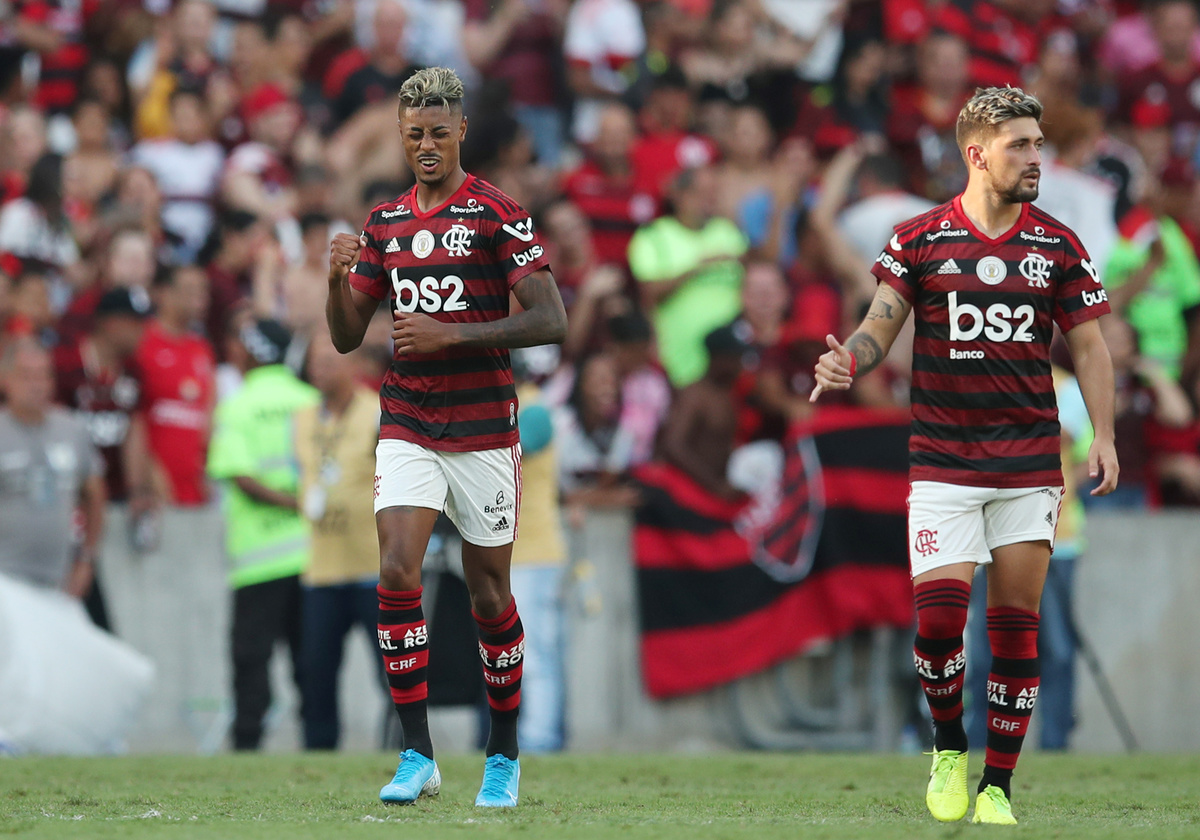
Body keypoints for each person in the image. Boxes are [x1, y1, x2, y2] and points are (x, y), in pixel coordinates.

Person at [811, 87, 1118, 825]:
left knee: (1014, 626)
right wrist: (847, 359)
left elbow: (1089, 346)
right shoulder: (919, 238)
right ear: (977, 154)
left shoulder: (1058, 245)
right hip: (943, 460)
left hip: (1029, 464)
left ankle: (998, 787)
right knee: (940, 624)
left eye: (1039, 143)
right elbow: (878, 327)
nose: (1036, 157)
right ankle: (949, 746)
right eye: (1021, 145)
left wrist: (1104, 434)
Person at [324, 67, 567, 807]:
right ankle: (417, 754)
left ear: (460, 131)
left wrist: (451, 334)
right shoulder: (384, 222)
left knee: (489, 593)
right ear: (400, 137)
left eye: (437, 132)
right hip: (408, 419)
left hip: (485, 426)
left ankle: (504, 753)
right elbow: (345, 338)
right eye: (413, 135)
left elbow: (551, 318)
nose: (425, 146)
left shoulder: (499, 213)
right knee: (397, 569)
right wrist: (336, 281)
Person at [206, 318, 319, 751]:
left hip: (257, 561)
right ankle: (319, 745)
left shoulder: (238, 406)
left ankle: (247, 746)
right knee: (310, 662)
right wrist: (303, 503)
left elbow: (239, 475)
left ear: (253, 351)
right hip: (310, 556)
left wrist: (288, 502)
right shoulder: (309, 399)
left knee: (251, 661)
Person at [294, 337, 385, 750]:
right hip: (322, 568)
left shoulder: (378, 412)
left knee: (391, 671)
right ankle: (318, 755)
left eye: (329, 362)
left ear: (354, 365)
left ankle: (404, 750)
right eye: (315, 362)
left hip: (373, 567)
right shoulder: (301, 418)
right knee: (316, 671)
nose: (319, 370)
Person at [0, 339, 105, 600]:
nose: (36, 385)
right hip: (6, 579)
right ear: (5, 380)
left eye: (43, 375)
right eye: (26, 376)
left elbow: (95, 494)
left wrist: (86, 559)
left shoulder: (72, 430)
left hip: (59, 580)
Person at [659, 324, 747, 501]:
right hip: (689, 493)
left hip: (712, 489)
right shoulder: (694, 395)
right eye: (735, 359)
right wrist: (715, 486)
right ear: (719, 359)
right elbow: (674, 445)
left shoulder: (726, 393)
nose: (740, 365)